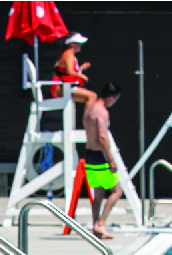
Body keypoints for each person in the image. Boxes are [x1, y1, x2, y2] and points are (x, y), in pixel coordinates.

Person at [82, 82, 123, 240]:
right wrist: (111, 159)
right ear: (111, 98)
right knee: (116, 191)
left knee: (98, 194)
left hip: (89, 155)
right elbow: (102, 137)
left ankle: (95, 226)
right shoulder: (102, 112)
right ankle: (101, 223)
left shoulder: (89, 110)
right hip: (100, 157)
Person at [51, 32, 97, 108]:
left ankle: (87, 119)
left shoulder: (68, 54)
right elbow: (70, 72)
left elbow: (68, 72)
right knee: (92, 96)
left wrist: (81, 69)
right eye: (78, 43)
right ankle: (88, 119)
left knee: (91, 96)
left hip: (64, 88)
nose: (81, 45)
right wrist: (82, 76)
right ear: (72, 44)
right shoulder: (69, 54)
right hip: (62, 89)